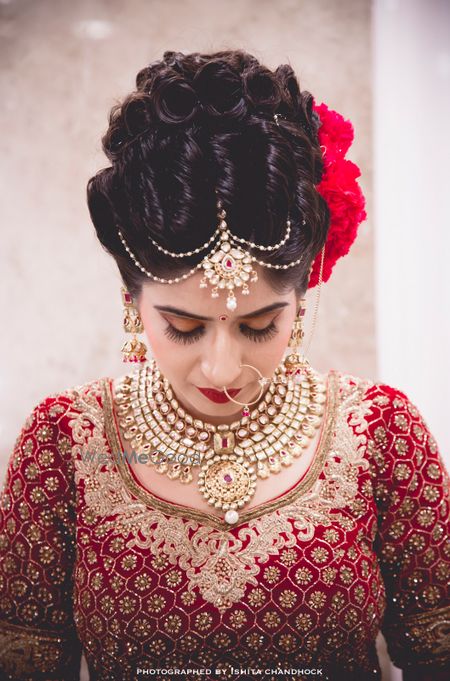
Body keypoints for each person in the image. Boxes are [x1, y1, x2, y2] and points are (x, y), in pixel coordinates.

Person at [0, 50, 448, 681]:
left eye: (259, 325)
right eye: (183, 327)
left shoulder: (381, 434)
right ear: (133, 301)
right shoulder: (65, 444)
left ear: (302, 294)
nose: (221, 368)